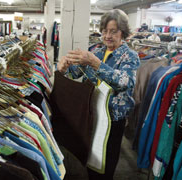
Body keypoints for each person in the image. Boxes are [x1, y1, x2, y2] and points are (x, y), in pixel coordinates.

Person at [57, 9, 140, 179]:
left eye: (113, 31)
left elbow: (125, 82)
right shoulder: (98, 52)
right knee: (91, 159)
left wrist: (96, 64)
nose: (108, 35)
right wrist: (65, 68)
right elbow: (77, 73)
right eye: (105, 31)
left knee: (106, 164)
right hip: (93, 114)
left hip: (113, 119)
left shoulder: (129, 56)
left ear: (122, 33)